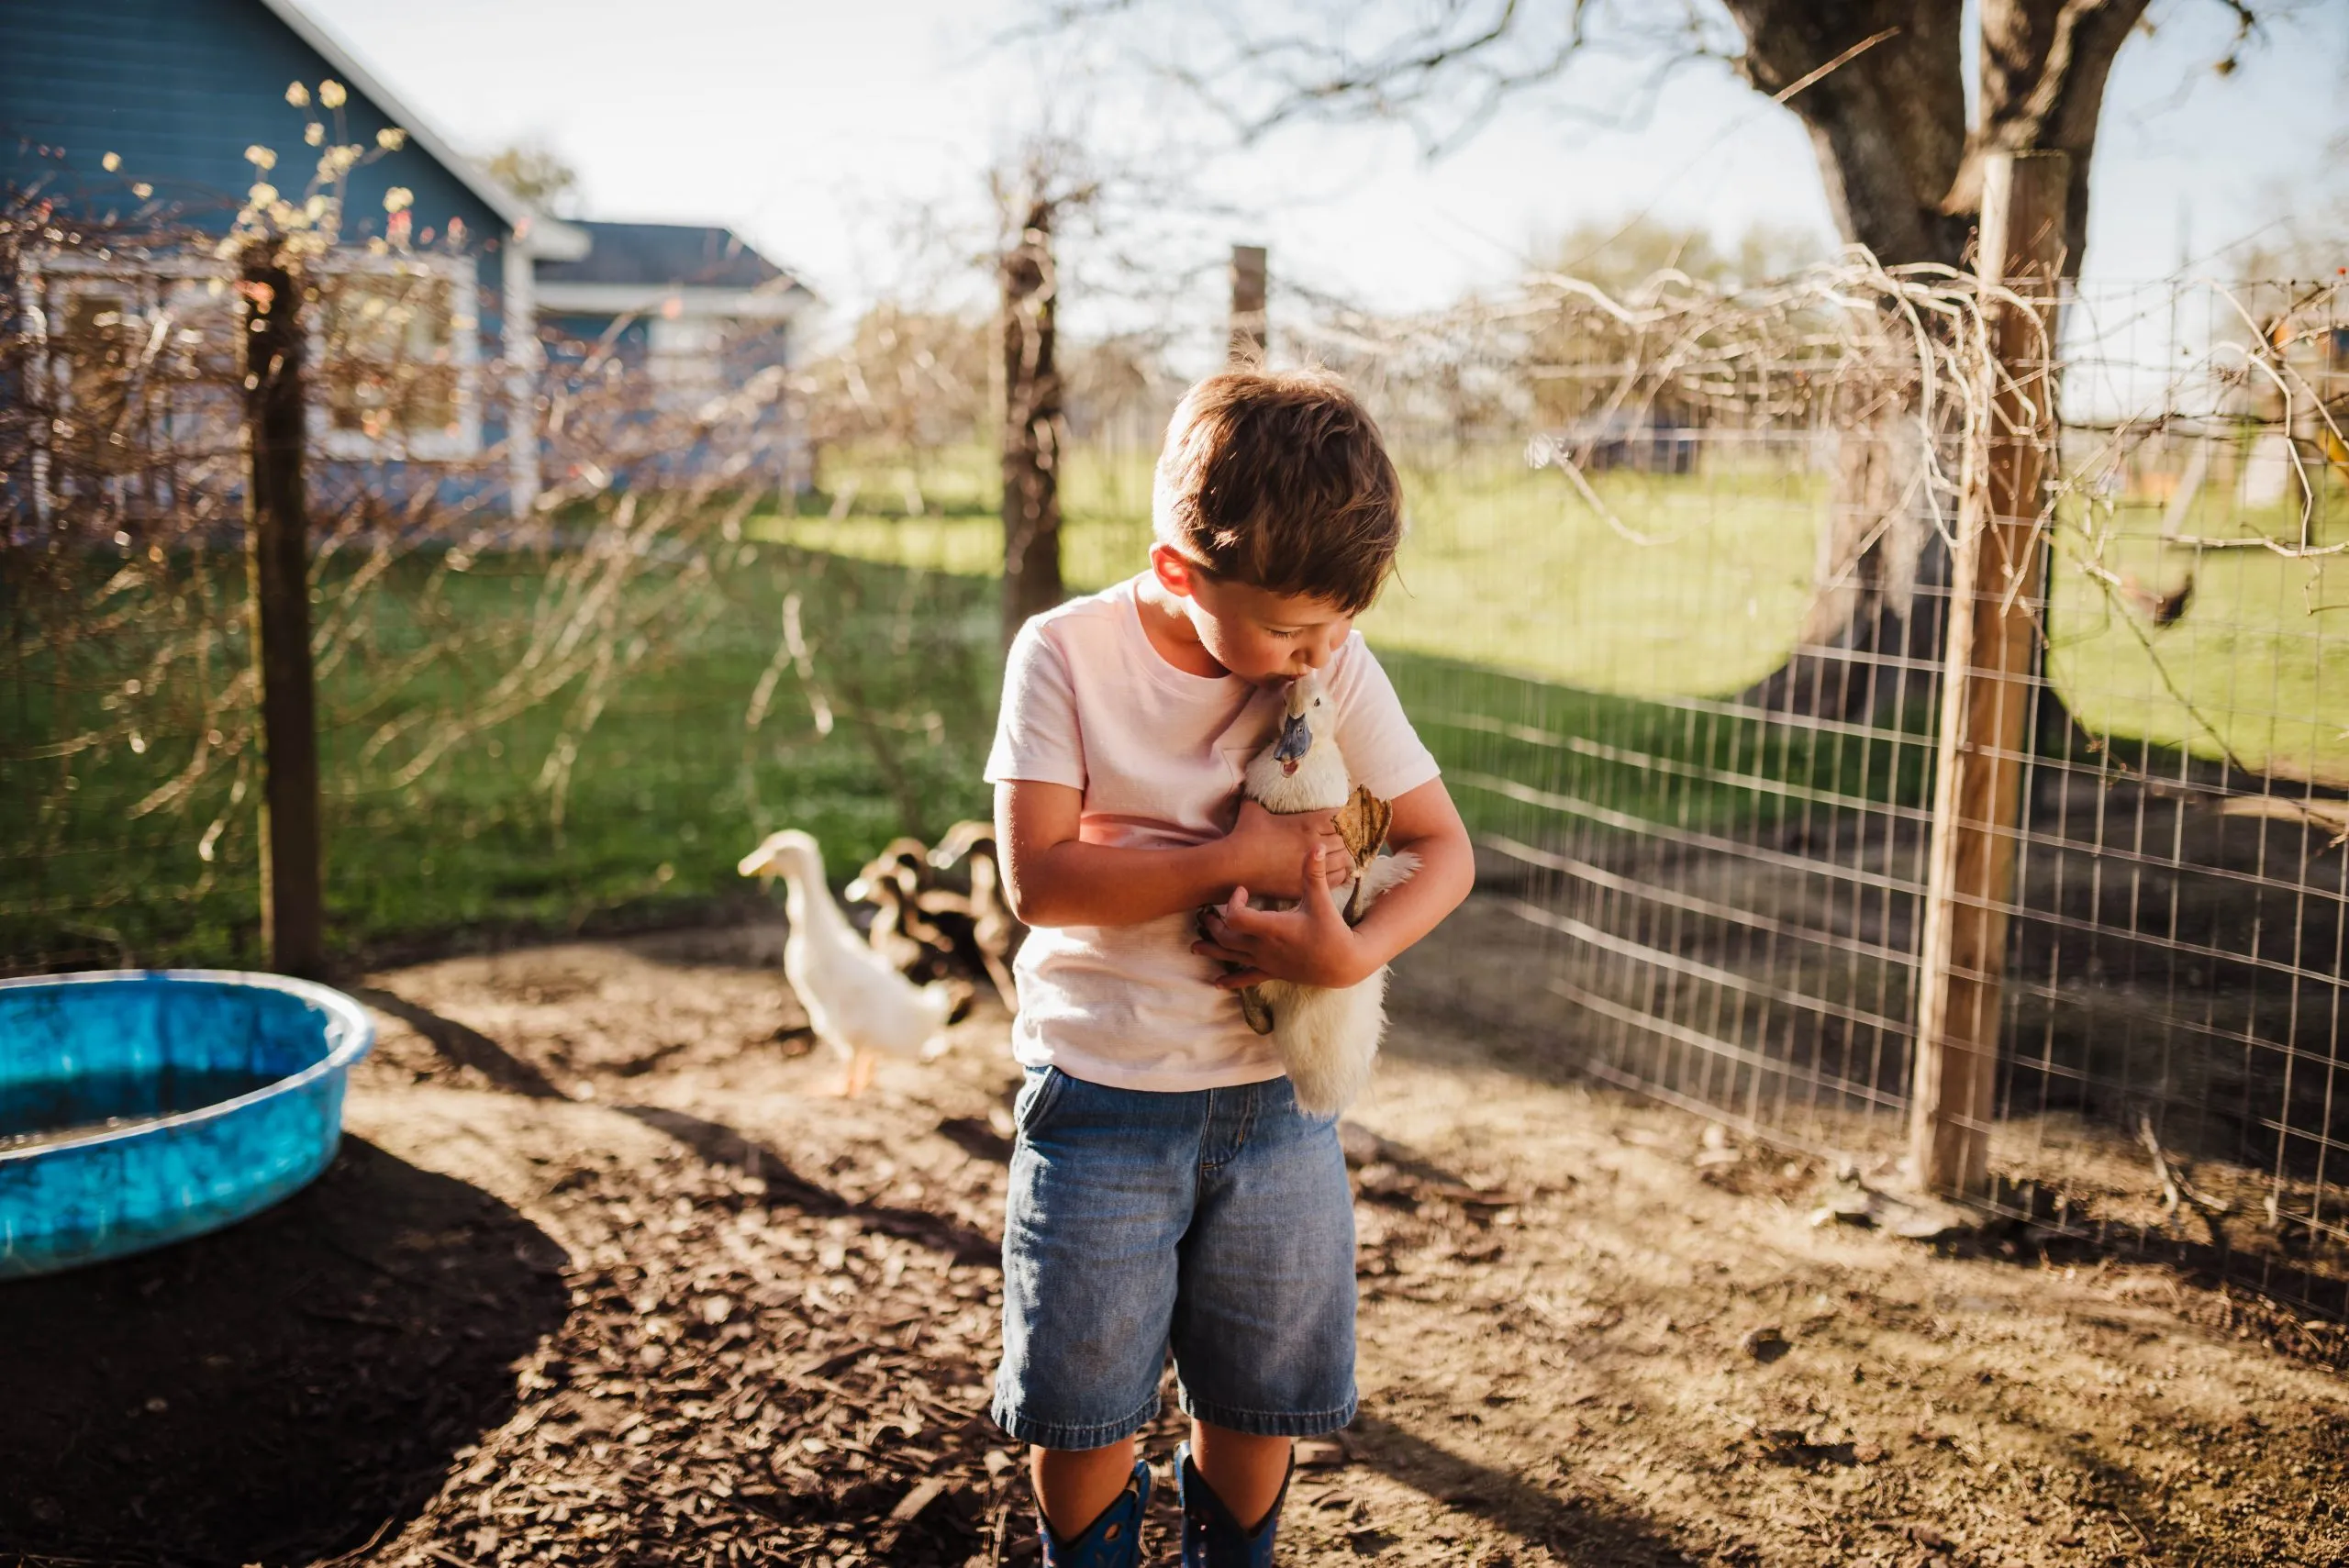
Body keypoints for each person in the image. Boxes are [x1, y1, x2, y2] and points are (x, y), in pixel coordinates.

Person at [985, 368, 1475, 1566]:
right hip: (1101, 1101)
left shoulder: (1331, 660)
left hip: (1278, 1111)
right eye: (1290, 627)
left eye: (1337, 625)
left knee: (1259, 1398)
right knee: (1087, 1401)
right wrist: (1237, 856)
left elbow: (1443, 849)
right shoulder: (1066, 655)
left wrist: (1346, 947)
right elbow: (1039, 881)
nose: (1318, 653)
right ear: (1177, 573)